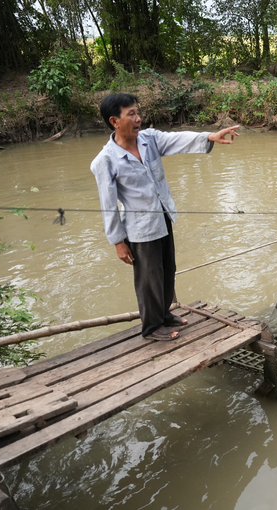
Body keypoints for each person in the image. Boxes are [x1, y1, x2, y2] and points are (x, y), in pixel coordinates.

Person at [91, 93, 239, 341]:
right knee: (149, 279)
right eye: (132, 115)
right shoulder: (105, 161)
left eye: (138, 113)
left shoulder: (148, 140)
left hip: (163, 216)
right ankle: (151, 328)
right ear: (114, 121)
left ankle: (164, 314)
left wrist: (209, 137)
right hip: (140, 228)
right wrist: (118, 241)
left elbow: (177, 139)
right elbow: (108, 205)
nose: (138, 119)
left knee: (168, 270)